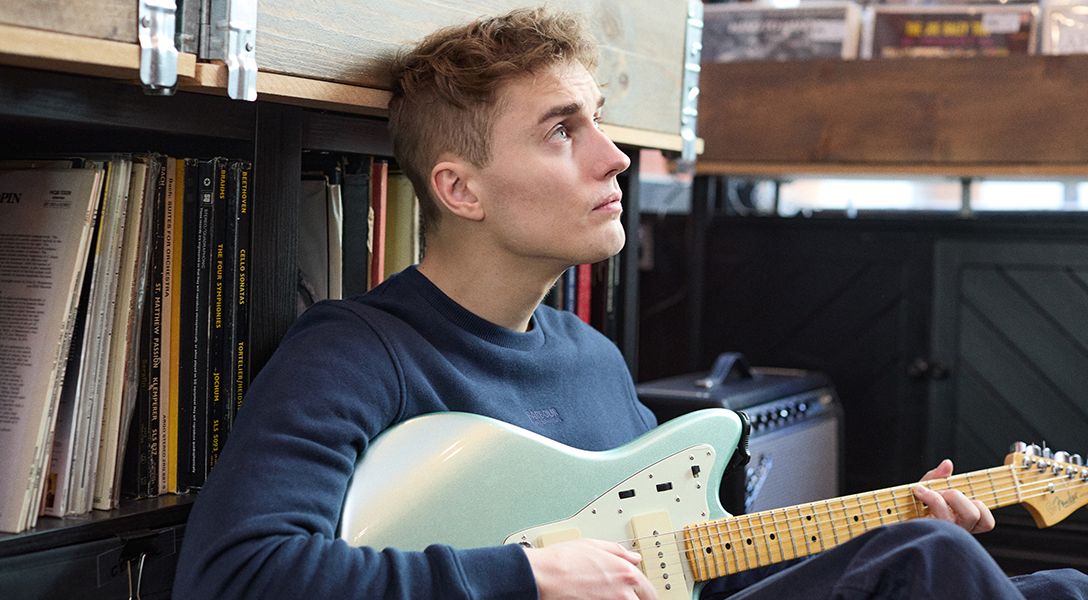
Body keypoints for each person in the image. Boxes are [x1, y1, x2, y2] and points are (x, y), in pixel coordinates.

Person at [173, 7, 1088, 600]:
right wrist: (528, 577)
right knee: (939, 568)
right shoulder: (357, 350)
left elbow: (689, 568)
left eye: (600, 117)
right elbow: (233, 576)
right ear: (460, 189)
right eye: (562, 131)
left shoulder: (591, 356)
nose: (613, 157)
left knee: (1028, 583)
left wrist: (878, 522)